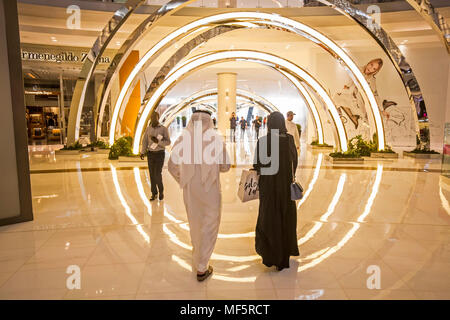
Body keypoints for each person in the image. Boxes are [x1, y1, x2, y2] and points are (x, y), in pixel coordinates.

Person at [168, 110, 231, 281]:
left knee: (194, 222)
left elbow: (171, 166)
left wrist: (184, 179)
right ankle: (202, 266)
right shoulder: (215, 139)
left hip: (190, 191)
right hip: (211, 190)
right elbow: (226, 166)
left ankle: (198, 255)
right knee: (210, 224)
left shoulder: (183, 138)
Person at [253, 111, 299, 271]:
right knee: (285, 217)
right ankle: (284, 256)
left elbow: (257, 166)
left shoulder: (263, 141)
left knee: (269, 217)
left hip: (268, 187)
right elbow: (295, 161)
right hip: (285, 187)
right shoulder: (289, 140)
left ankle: (270, 255)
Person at [140, 111, 171, 201]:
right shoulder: (148, 129)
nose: (153, 119)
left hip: (160, 154)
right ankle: (154, 193)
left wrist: (158, 142)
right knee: (152, 174)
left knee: (157, 173)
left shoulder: (163, 129)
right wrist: (142, 152)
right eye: (152, 117)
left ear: (158, 118)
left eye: (155, 117)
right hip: (150, 154)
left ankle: (161, 191)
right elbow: (145, 141)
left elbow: (168, 142)